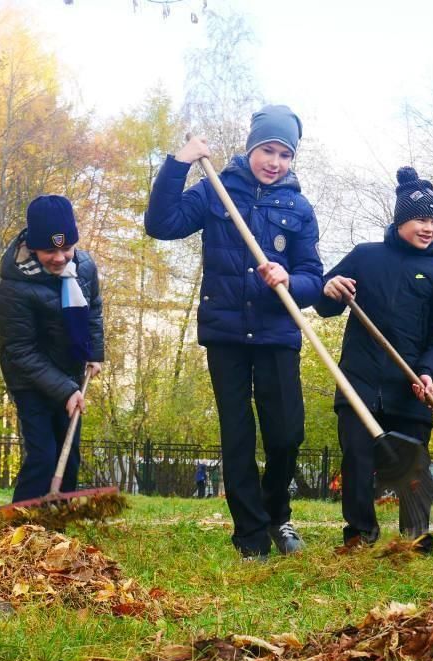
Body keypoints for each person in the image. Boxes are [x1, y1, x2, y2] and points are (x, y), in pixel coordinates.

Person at [145, 105, 323, 560]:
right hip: (226, 333)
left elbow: (313, 278)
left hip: (276, 334)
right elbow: (161, 225)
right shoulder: (215, 192)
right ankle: (250, 535)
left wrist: (289, 280)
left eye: (285, 154)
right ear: (251, 148)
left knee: (286, 435)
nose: (275, 161)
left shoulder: (299, 208)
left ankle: (277, 515)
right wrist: (179, 162)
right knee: (238, 436)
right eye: (268, 149)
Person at [315, 166, 433, 555]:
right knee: (358, 461)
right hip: (359, 383)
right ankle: (360, 537)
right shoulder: (365, 257)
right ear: (400, 221)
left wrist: (429, 372)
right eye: (419, 219)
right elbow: (324, 305)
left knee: (413, 466)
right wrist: (330, 288)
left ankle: (414, 539)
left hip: (410, 386)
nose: (428, 227)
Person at [0, 195, 104, 502]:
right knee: (43, 455)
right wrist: (65, 390)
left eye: (66, 248)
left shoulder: (83, 267)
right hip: (29, 379)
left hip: (70, 373)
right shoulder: (14, 285)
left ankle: (58, 524)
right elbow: (19, 350)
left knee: (69, 456)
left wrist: (94, 353)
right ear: (32, 247)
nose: (59, 257)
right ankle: (21, 523)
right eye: (49, 250)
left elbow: (93, 308)